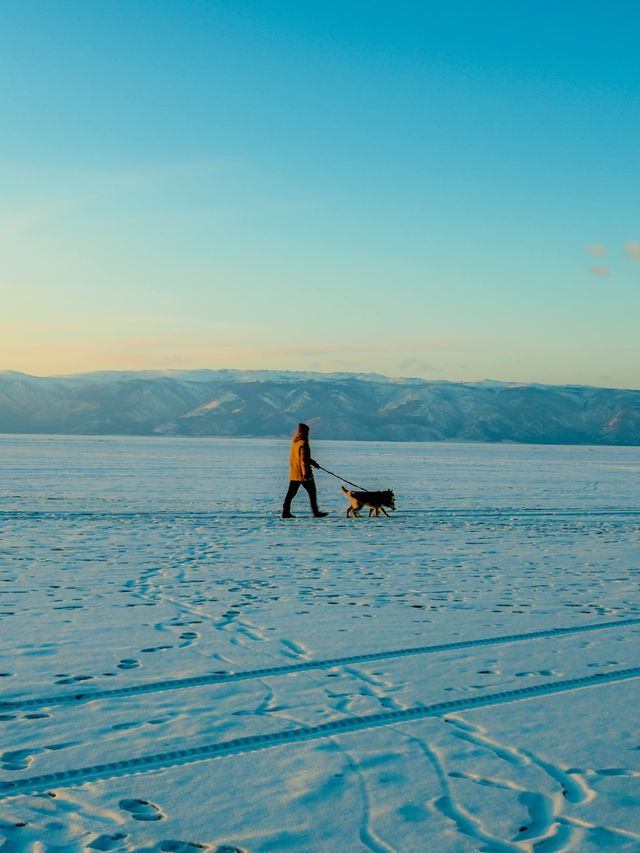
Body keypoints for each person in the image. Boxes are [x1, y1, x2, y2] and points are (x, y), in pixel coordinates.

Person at [282, 423, 328, 518]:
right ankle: (316, 512)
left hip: (295, 473)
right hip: (303, 474)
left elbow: (303, 458)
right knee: (312, 493)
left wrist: (314, 463)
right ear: (305, 432)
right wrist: (306, 473)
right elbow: (303, 460)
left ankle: (285, 512)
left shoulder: (296, 443)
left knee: (290, 494)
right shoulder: (304, 443)